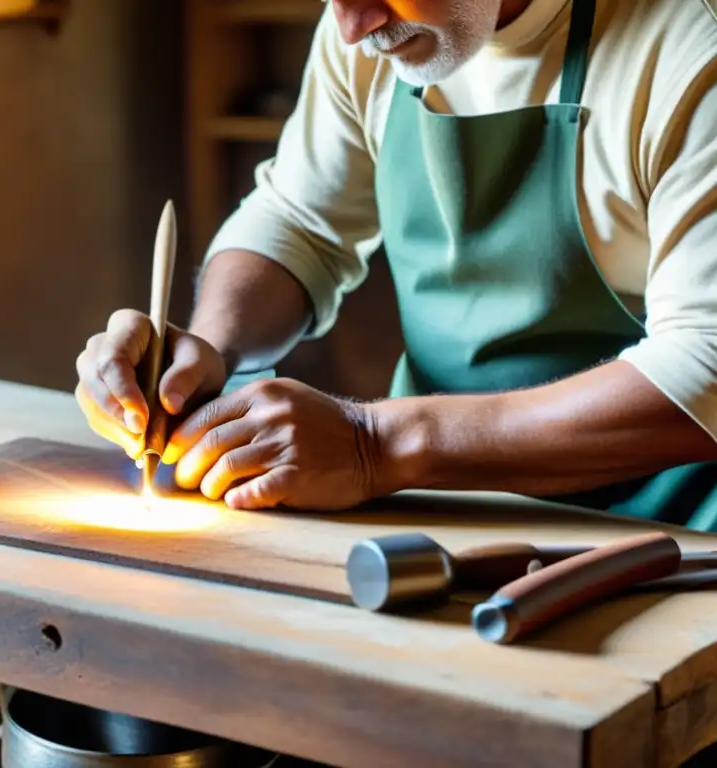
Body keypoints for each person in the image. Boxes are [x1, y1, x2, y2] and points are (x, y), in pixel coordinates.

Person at [75, 0, 717, 530]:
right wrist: (206, 352)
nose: (350, 25)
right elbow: (299, 219)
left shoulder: (690, 44)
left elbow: (706, 364)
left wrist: (375, 443)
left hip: (667, 536)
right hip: (442, 509)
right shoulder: (366, 25)